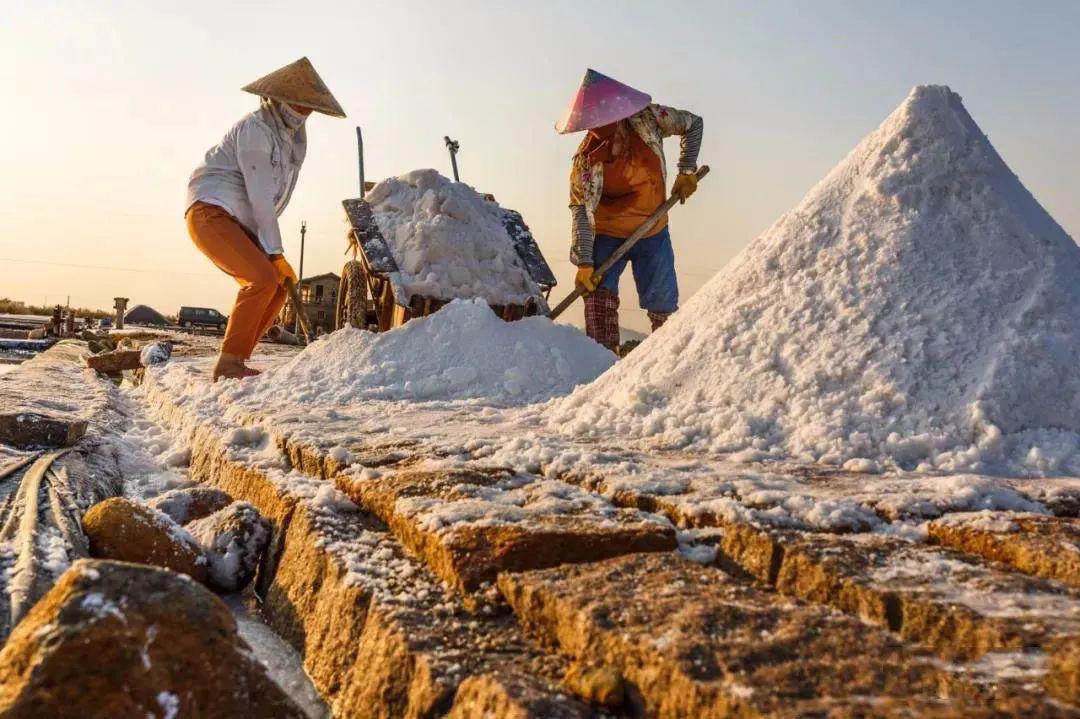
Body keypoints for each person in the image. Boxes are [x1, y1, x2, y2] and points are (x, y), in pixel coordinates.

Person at [185, 57, 345, 381]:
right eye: (297, 105)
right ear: (278, 98)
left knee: (278, 287)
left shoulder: (292, 140)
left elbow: (271, 200)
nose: (302, 112)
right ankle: (228, 364)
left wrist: (273, 251)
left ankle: (237, 358)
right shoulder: (255, 130)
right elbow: (260, 195)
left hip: (240, 221)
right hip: (210, 211)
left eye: (308, 107)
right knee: (261, 278)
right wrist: (274, 252)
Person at [557, 69, 703, 353]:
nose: (606, 139)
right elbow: (580, 212)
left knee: (664, 306)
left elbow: (693, 124)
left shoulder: (648, 119)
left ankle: (668, 362)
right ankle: (601, 368)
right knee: (599, 298)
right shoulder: (586, 162)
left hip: (653, 229)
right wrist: (585, 262)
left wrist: (686, 170)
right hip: (606, 234)